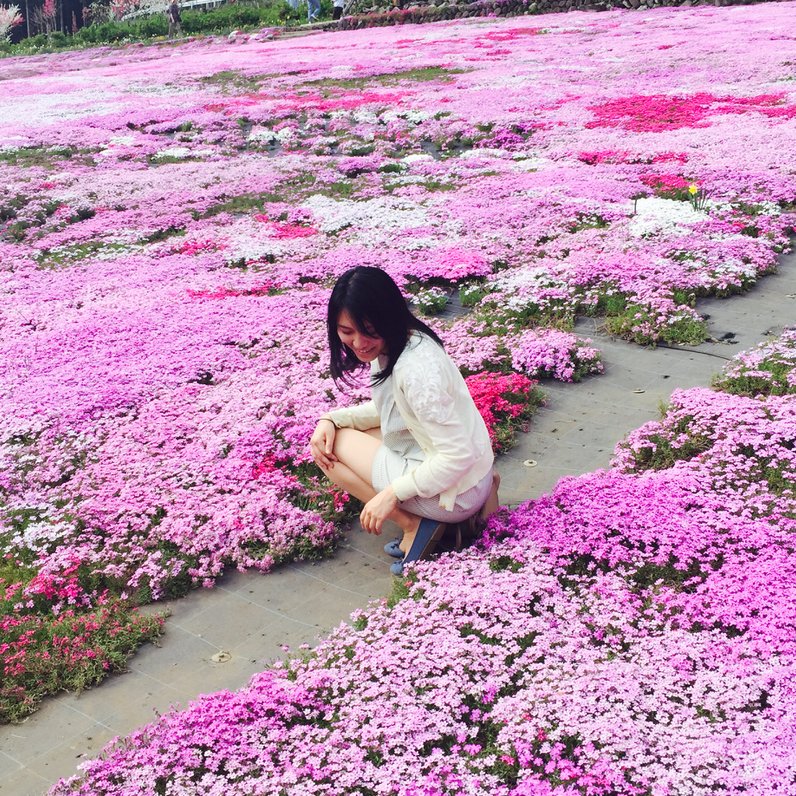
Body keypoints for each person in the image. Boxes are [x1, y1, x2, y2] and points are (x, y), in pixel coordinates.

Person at [310, 266, 499, 576]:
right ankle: (468, 506)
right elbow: (390, 409)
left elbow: (457, 455)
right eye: (346, 331)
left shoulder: (416, 370)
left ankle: (415, 524)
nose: (358, 343)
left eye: (368, 329)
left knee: (332, 447)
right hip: (472, 473)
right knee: (335, 431)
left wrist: (392, 494)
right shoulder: (404, 341)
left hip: (457, 489)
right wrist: (331, 418)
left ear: (387, 316)